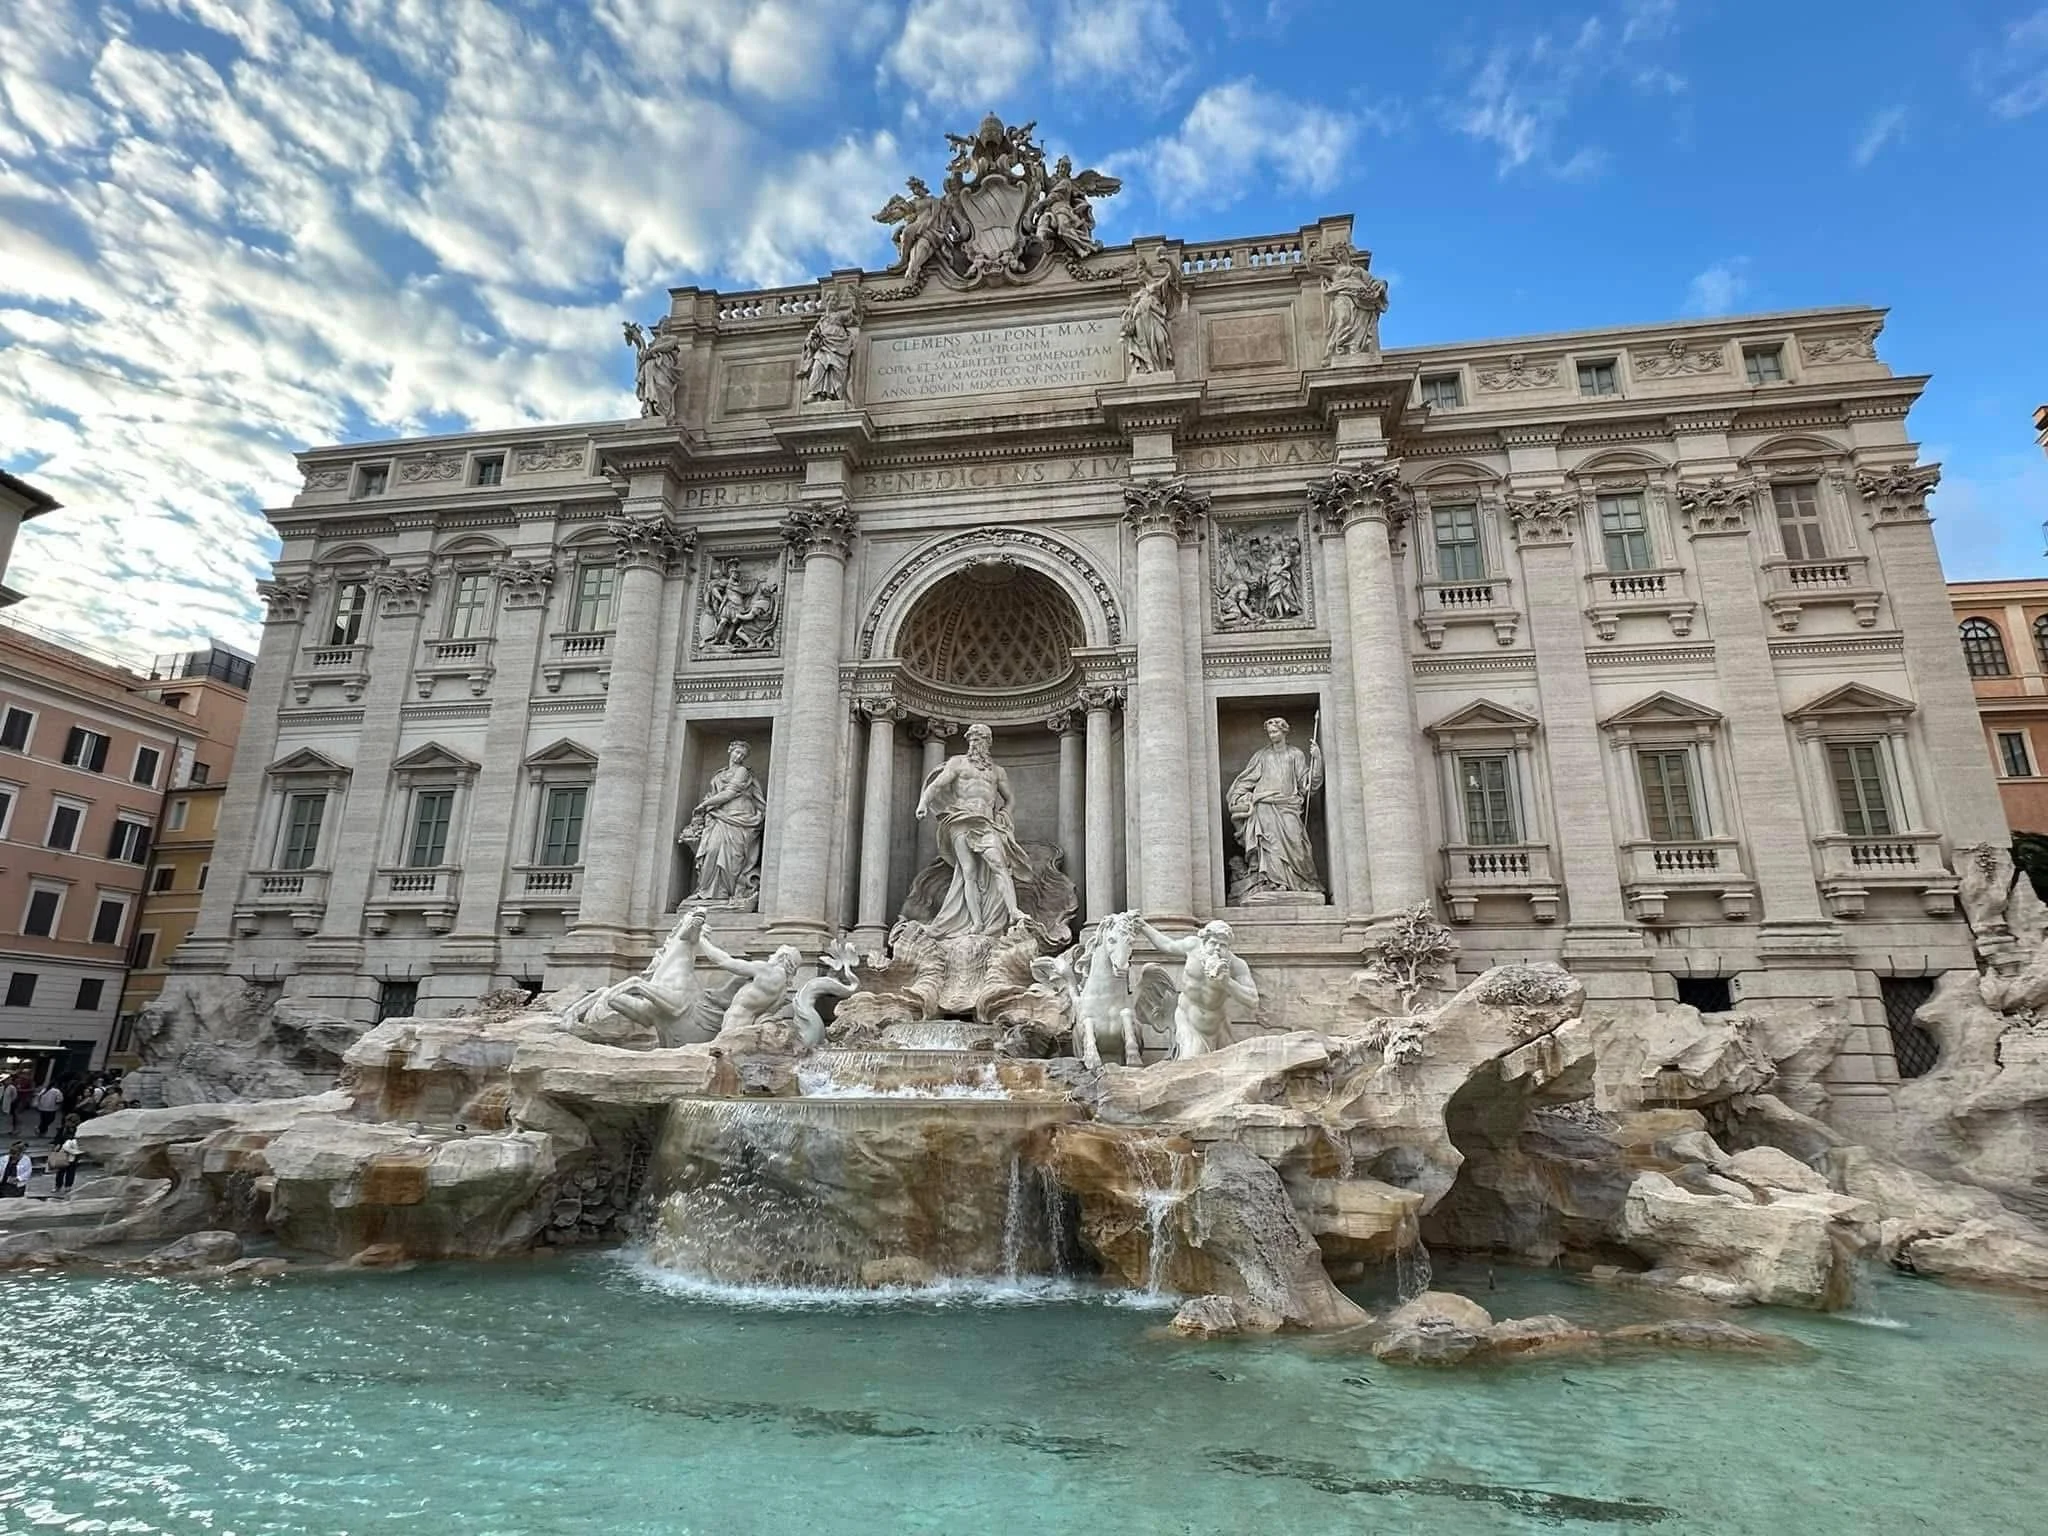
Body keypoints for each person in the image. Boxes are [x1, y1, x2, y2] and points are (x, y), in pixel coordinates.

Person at [914, 722, 1029, 935]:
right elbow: (937, 785)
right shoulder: (958, 763)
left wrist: (1005, 813)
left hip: (986, 823)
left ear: (988, 742)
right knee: (968, 872)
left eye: (980, 739)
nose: (975, 743)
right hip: (961, 820)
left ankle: (1013, 911)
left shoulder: (997, 772)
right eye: (973, 739)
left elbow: (1010, 799)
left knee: (999, 865)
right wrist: (923, 803)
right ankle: (976, 923)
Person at [1225, 717, 1325, 896]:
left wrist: (1317, 760)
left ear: (1284, 731)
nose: (1272, 735)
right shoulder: (1262, 756)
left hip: (1288, 806)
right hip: (1264, 805)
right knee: (1270, 845)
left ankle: (1299, 882)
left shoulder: (1295, 754)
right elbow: (1246, 780)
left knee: (1297, 843)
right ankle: (1274, 883)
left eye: (1275, 732)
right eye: (1269, 733)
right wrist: (1239, 796)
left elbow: (1307, 785)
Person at [680, 742, 767, 906]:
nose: (739, 757)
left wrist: (704, 805)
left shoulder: (742, 772)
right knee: (711, 850)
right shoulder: (719, 774)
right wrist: (706, 807)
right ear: (730, 751)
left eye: (743, 755)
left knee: (732, 856)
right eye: (737, 753)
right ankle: (705, 891)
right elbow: (714, 794)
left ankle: (725, 893)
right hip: (719, 817)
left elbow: (730, 793)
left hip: (739, 818)